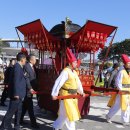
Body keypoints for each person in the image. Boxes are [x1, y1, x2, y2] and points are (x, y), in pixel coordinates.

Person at [51, 47, 85, 130]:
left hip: (73, 96)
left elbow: (78, 83)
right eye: (75, 62)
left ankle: (55, 127)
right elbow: (58, 83)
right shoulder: (65, 71)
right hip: (66, 96)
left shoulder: (74, 72)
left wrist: (81, 91)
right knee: (71, 114)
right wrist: (54, 94)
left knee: (64, 115)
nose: (76, 63)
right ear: (70, 63)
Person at [0, 53, 27, 130]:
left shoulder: (18, 67)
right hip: (16, 94)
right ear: (22, 59)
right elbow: (16, 81)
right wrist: (16, 93)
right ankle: (3, 127)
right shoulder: (17, 67)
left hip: (19, 94)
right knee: (10, 112)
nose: (25, 61)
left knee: (18, 111)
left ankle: (16, 126)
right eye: (25, 59)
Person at [106, 54, 130, 126]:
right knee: (118, 105)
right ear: (125, 64)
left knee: (126, 105)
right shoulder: (121, 72)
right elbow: (118, 81)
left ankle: (124, 120)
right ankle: (109, 116)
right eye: (128, 63)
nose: (129, 64)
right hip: (122, 91)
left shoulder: (129, 72)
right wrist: (121, 90)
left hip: (128, 91)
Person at [20, 54, 39, 129]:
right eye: (34, 59)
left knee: (25, 106)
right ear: (31, 60)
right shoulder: (26, 66)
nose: (35, 60)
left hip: (31, 90)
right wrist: (30, 88)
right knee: (30, 108)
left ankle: (20, 120)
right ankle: (33, 124)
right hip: (27, 90)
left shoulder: (33, 66)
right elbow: (26, 79)